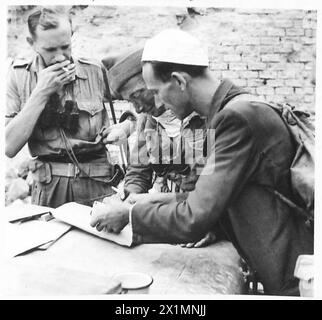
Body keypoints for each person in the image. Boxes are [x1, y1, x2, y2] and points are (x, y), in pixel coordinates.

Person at [90, 29, 313, 295]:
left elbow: (195, 216)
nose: (154, 105)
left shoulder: (236, 119)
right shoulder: (236, 110)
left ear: (179, 81)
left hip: (294, 274)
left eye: (155, 92)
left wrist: (129, 215)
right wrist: (150, 199)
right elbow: (219, 195)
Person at [101, 48, 219, 248]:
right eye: (131, 101)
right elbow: (138, 172)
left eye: (139, 95)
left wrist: (212, 225)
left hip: (204, 217)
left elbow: (212, 192)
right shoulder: (148, 121)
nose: (137, 108)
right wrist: (126, 199)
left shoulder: (205, 117)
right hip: (169, 218)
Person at [6, 7, 118, 208]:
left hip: (96, 183)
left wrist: (126, 127)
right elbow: (9, 146)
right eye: (50, 50)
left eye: (65, 47)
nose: (59, 57)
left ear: (72, 36)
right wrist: (41, 92)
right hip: (50, 189)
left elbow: (140, 107)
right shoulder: (18, 76)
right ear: (32, 43)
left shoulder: (95, 71)